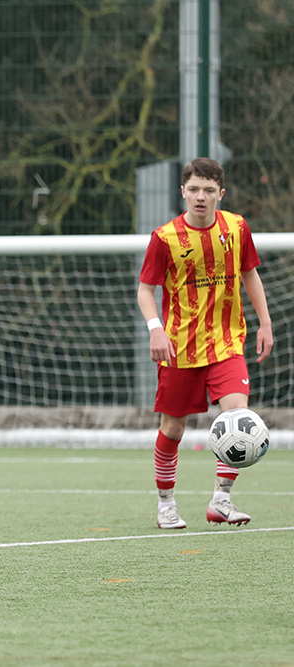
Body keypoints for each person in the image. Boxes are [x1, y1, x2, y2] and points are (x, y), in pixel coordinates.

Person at [138, 157, 273, 530]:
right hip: (180, 348)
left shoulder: (236, 227)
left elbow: (250, 274)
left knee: (237, 417)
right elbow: (145, 290)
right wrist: (155, 328)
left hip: (227, 343)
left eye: (209, 190)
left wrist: (265, 323)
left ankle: (221, 500)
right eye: (194, 189)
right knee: (173, 430)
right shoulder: (165, 238)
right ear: (183, 191)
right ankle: (166, 503)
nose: (201, 197)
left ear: (220, 194)